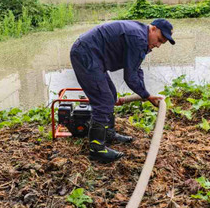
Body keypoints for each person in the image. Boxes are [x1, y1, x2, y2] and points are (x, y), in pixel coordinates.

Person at [69, 18, 175, 163]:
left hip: (94, 55)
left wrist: (144, 91)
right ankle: (97, 149)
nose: (158, 45)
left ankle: (108, 134)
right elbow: (130, 77)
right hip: (85, 53)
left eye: (162, 43)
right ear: (153, 29)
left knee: (111, 95)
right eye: (159, 39)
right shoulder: (138, 38)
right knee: (103, 100)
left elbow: (136, 69)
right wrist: (147, 96)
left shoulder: (142, 38)